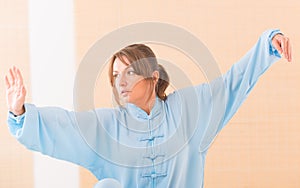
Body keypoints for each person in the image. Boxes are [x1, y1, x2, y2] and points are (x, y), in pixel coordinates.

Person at [5, 29, 292, 188]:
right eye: (115, 76)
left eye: (129, 72)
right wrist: (21, 114)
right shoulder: (107, 126)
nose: (121, 82)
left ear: (154, 76)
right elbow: (64, 126)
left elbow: (232, 84)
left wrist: (268, 46)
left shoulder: (192, 109)